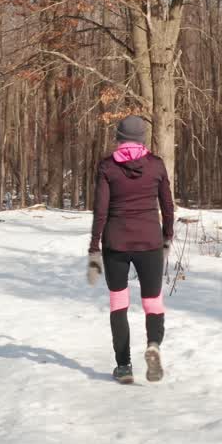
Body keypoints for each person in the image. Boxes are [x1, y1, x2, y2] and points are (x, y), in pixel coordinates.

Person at [87, 115, 175, 384]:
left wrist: (94, 247)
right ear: (142, 138)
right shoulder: (156, 165)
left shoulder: (107, 167)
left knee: (119, 304)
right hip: (149, 241)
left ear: (119, 137)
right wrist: (167, 237)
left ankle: (123, 366)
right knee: (152, 301)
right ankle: (153, 345)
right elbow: (168, 207)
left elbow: (101, 210)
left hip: (116, 242)